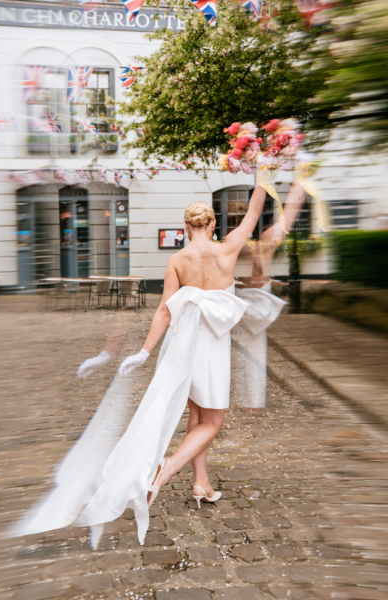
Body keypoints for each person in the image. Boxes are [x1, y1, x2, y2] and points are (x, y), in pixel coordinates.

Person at [15, 189, 285, 549]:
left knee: (196, 413)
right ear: (213, 224)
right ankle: (163, 471)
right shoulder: (229, 247)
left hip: (183, 346)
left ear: (185, 227)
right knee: (213, 421)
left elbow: (164, 310)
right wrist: (262, 176)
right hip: (212, 345)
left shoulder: (177, 260)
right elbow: (253, 212)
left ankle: (201, 483)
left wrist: (144, 352)